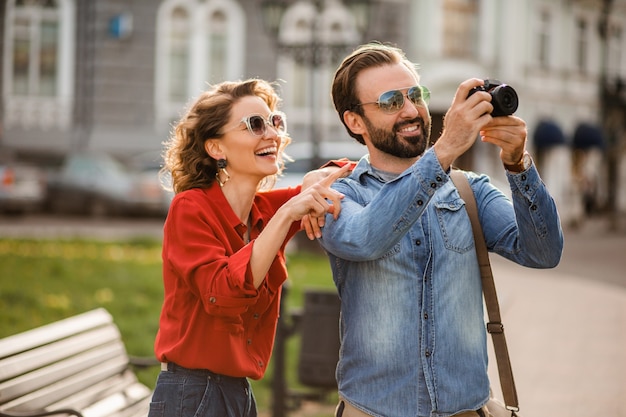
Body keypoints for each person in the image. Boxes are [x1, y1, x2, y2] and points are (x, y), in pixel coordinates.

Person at [318, 43, 564, 417]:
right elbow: (365, 238)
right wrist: (446, 148)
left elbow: (543, 253)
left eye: (415, 95)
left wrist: (518, 166)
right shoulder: (339, 195)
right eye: (389, 101)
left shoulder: (469, 190)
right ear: (355, 121)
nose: (411, 110)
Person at [147, 78, 349, 417]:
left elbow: (351, 174)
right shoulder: (190, 209)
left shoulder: (263, 211)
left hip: (237, 393)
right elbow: (222, 294)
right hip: (192, 394)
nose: (272, 134)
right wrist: (287, 214)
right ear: (216, 148)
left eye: (274, 121)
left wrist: (322, 174)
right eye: (255, 125)